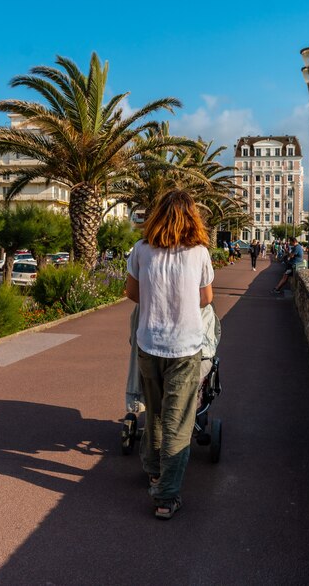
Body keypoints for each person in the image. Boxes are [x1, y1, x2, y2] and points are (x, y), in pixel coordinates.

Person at [126, 189, 214, 520]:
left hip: (149, 344)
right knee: (179, 422)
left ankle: (152, 468)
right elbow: (206, 298)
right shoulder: (199, 253)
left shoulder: (141, 250)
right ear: (192, 217)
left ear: (157, 216)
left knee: (157, 412)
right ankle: (165, 495)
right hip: (185, 347)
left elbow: (132, 293)